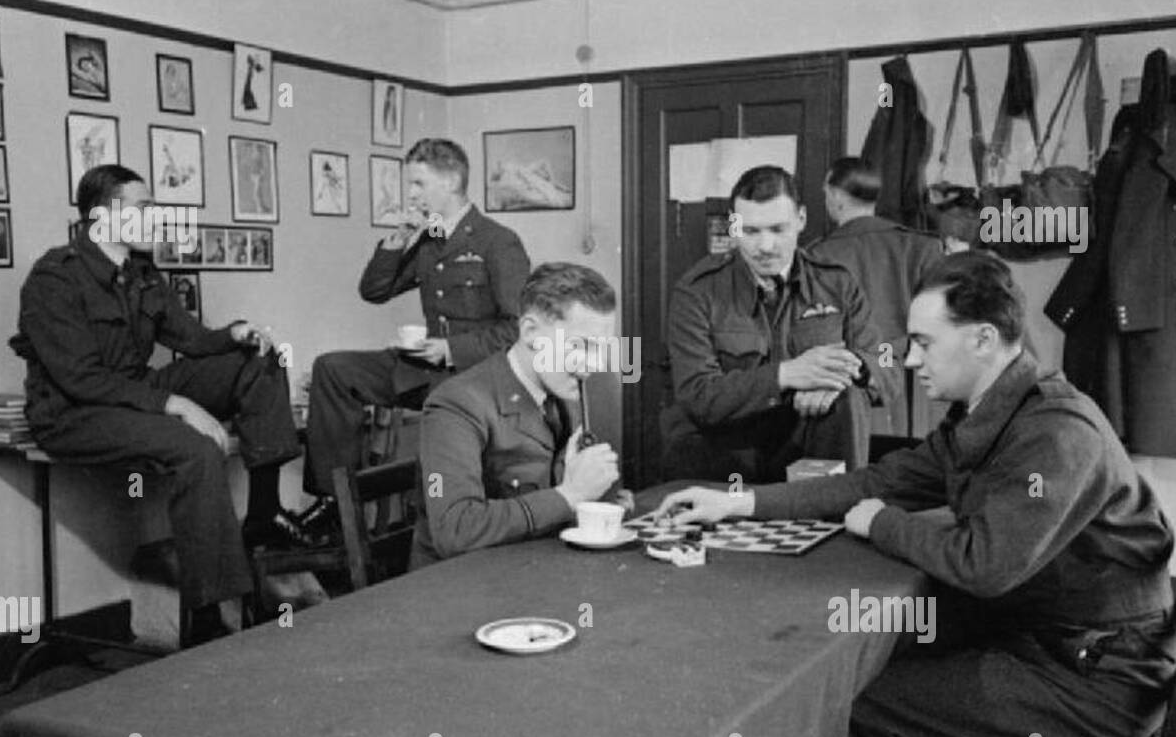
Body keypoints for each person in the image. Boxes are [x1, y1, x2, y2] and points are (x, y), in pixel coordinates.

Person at [657, 251, 1176, 737]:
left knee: (853, 707)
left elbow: (984, 566)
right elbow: (875, 482)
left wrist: (882, 523)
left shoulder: (1056, 433)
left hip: (1094, 679)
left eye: (925, 343)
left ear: (981, 340)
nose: (908, 361)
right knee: (872, 655)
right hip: (1048, 635)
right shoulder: (997, 411)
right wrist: (739, 503)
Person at [10, 165, 325, 641]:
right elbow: (80, 379)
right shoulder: (54, 279)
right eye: (143, 207)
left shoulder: (141, 273)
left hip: (130, 397)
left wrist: (235, 334)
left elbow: (190, 338)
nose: (155, 217)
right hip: (72, 414)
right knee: (193, 447)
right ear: (103, 216)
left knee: (259, 360)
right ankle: (206, 618)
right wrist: (175, 403)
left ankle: (263, 511)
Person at [299, 138, 531, 538]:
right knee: (333, 369)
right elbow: (374, 291)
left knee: (439, 473)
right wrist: (397, 240)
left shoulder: (498, 242)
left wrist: (451, 349)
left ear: (452, 180)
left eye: (419, 184)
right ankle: (334, 500)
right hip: (423, 369)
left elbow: (518, 328)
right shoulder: (428, 240)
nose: (410, 194)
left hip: (473, 376)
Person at [662, 164, 897, 484]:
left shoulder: (837, 283)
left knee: (848, 397)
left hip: (811, 450)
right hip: (728, 458)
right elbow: (698, 396)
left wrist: (843, 373)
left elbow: (886, 362)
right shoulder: (697, 292)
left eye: (777, 229)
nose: (766, 246)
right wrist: (787, 375)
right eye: (751, 231)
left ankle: (836, 512)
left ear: (801, 219)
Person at [412, 263, 620, 568]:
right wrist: (570, 494)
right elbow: (455, 531)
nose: (592, 364)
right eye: (580, 346)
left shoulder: (567, 391)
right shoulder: (455, 405)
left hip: (537, 570)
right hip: (462, 588)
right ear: (530, 331)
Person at [808, 157, 945, 436]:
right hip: (919, 388)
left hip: (850, 389)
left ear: (835, 195)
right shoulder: (923, 246)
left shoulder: (815, 256)